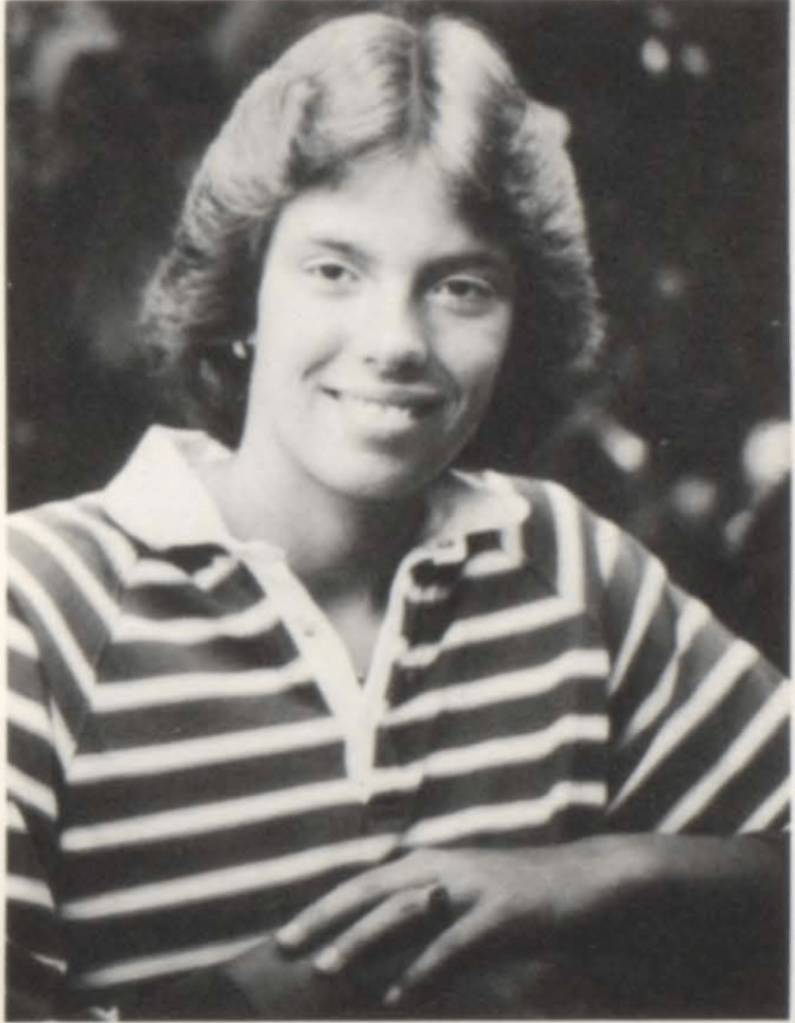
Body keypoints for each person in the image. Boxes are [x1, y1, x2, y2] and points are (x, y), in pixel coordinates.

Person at [6, 9, 789, 1020]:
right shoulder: (37, 610)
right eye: (334, 270)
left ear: (521, 320)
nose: (395, 340)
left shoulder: (565, 565)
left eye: (461, 286)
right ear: (242, 296)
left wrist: (594, 877)